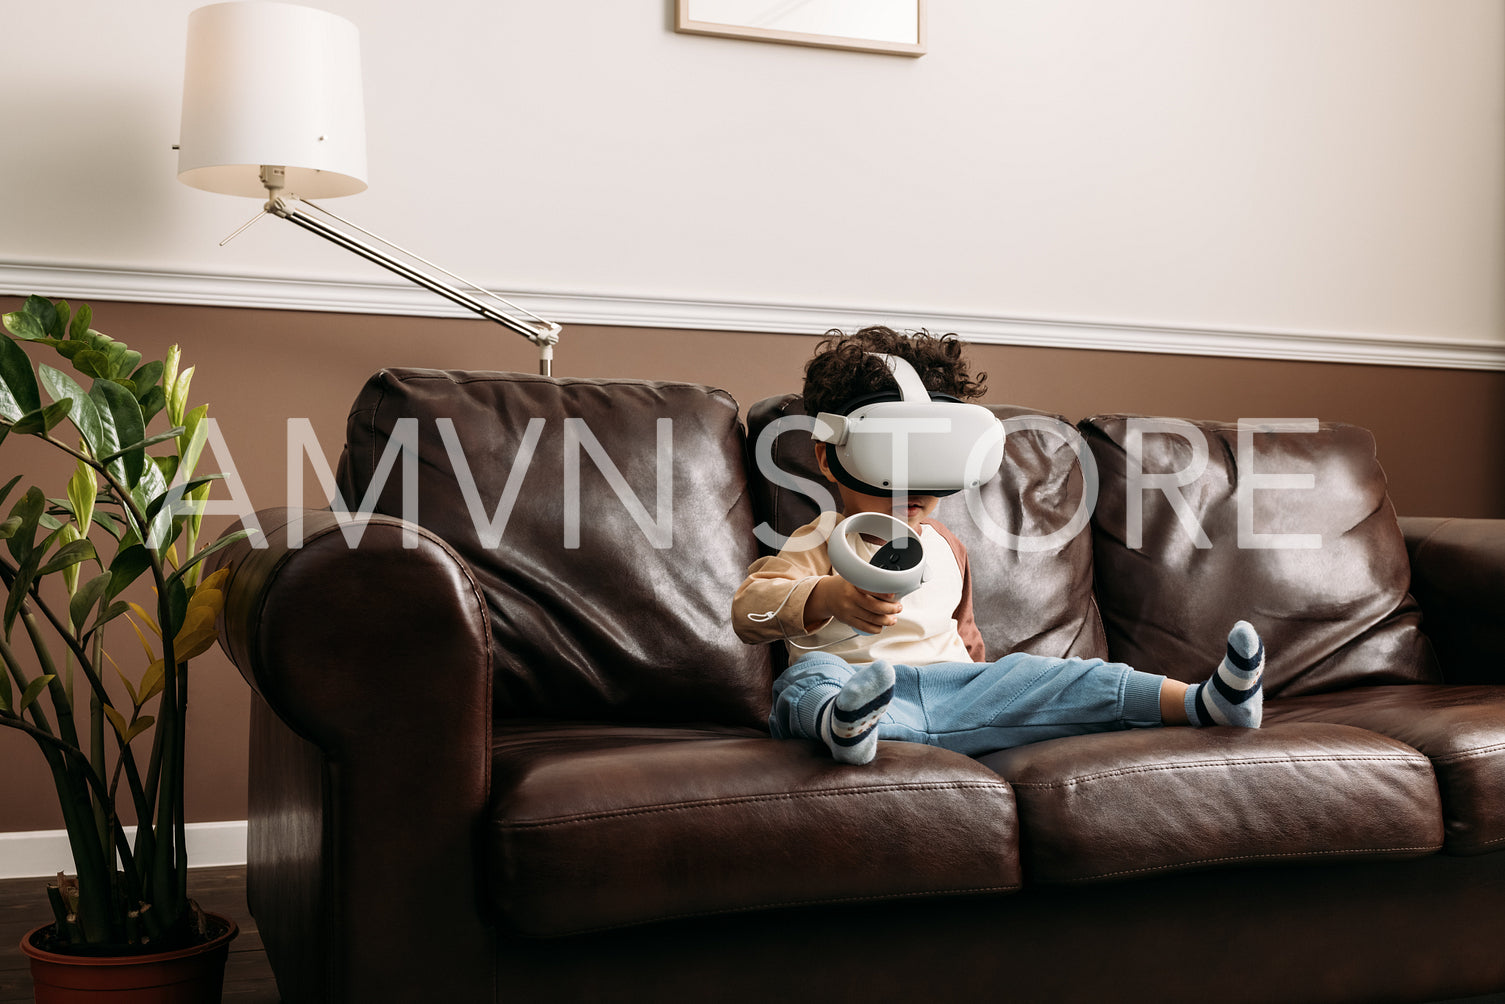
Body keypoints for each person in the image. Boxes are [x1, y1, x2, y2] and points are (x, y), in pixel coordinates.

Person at [732, 325, 1264, 765]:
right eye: (891, 462)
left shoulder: (947, 548)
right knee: (805, 680)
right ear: (830, 459)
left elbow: (968, 639)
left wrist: (991, 685)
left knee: (1049, 674)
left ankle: (1207, 703)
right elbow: (747, 610)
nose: (912, 487)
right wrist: (826, 597)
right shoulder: (821, 540)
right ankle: (843, 724)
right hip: (864, 689)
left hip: (957, 695)